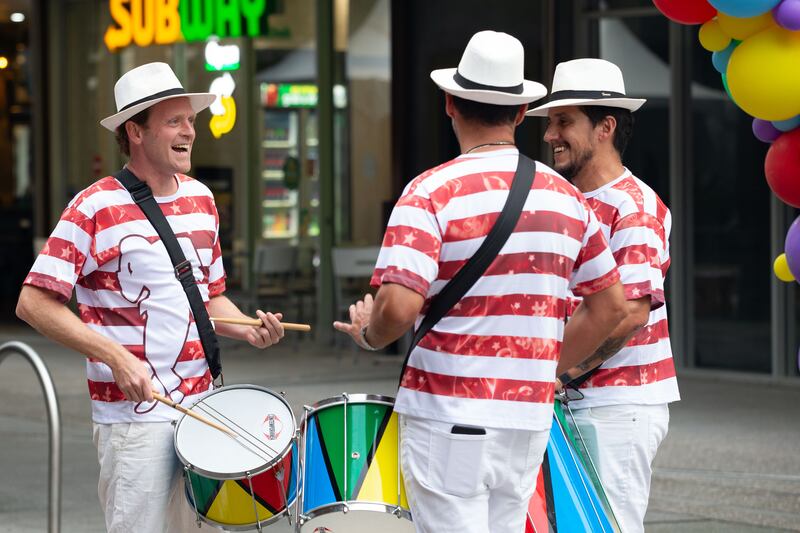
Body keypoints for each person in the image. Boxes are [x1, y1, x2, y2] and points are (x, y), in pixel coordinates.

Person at [333, 31, 628, 533]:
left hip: (448, 410)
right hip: (526, 416)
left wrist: (369, 332)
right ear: (519, 112)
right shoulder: (567, 199)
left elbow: (399, 310)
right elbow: (611, 309)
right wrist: (536, 369)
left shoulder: (428, 192)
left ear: (449, 104)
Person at [15, 62, 285, 533]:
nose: (190, 132)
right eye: (174, 122)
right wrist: (114, 356)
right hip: (133, 421)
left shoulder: (202, 200)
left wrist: (249, 327)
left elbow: (210, 299)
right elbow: (33, 302)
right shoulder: (94, 205)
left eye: (191, 121)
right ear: (135, 131)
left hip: (204, 410)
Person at [527, 57, 681, 533]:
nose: (550, 134)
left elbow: (630, 314)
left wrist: (561, 371)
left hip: (618, 406)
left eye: (564, 121)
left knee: (604, 527)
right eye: (550, 122)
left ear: (605, 127)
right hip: (578, 399)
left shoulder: (634, 208)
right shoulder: (572, 199)